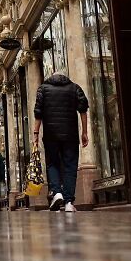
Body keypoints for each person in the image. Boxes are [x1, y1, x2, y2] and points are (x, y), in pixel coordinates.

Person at [34, 72, 89, 213]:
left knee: (52, 163)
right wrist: (84, 131)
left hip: (51, 134)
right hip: (70, 134)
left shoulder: (43, 89)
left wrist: (35, 133)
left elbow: (38, 112)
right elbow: (83, 109)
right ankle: (69, 202)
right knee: (70, 166)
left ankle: (57, 192)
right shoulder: (74, 88)